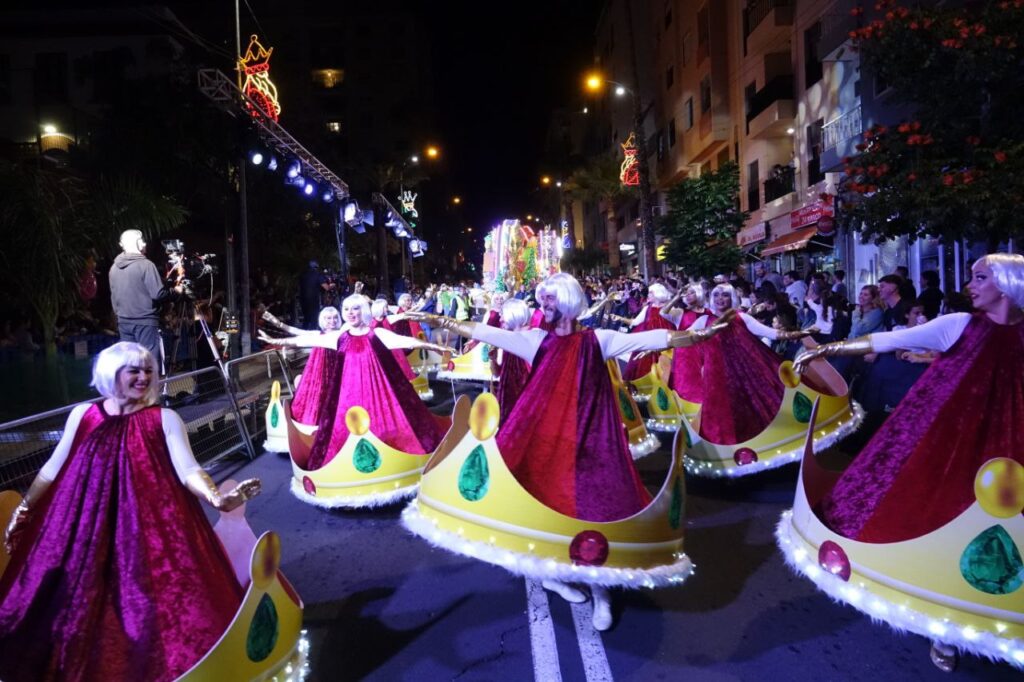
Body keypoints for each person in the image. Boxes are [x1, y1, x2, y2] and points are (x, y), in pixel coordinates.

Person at [409, 273, 730, 629]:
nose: (542, 305)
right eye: (541, 298)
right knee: (542, 506)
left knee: (598, 510)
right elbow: (489, 333)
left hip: (594, 440)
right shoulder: (535, 340)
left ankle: (602, 594)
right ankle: (551, 576)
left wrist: (693, 336)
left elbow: (646, 337)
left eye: (548, 299)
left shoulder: (598, 339)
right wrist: (441, 321)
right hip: (546, 441)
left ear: (566, 301)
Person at [793, 253, 1024, 670]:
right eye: (971, 276)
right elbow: (888, 340)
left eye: (980, 277)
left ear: (1006, 283)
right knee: (941, 524)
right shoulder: (961, 325)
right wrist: (825, 349)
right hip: (952, 444)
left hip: (1010, 448)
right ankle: (946, 631)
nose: (970, 285)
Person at [0, 342, 260, 681]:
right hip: (83, 525)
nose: (144, 377)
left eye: (148, 370)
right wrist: (25, 506)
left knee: (160, 594)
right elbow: (52, 466)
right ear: (112, 374)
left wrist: (216, 498)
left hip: (149, 525)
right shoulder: (84, 415)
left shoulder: (163, 418)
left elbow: (188, 469)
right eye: (134, 370)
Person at [258, 294, 451, 470]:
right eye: (347, 309)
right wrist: (277, 341)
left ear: (364, 311)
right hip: (347, 397)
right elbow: (303, 341)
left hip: (378, 393)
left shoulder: (376, 333)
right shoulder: (339, 337)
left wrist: (432, 346)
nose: (350, 313)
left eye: (355, 309)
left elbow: (405, 341)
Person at [109, 229, 177, 370]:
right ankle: (151, 392)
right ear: (138, 243)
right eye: (143, 240)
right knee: (149, 365)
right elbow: (158, 294)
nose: (145, 243)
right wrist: (175, 291)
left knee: (131, 365)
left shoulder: (114, 268)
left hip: (124, 322)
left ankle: (133, 391)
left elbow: (114, 298)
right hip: (145, 322)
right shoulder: (146, 265)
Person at [262, 306, 341, 426]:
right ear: (323, 319)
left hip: (336, 371)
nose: (332, 321)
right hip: (319, 373)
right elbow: (296, 332)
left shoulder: (342, 334)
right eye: (328, 318)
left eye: (335, 318)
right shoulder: (317, 334)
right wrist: (276, 322)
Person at [492, 298, 532, 424]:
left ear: (513, 315)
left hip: (523, 413)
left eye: (503, 315)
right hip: (507, 410)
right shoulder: (509, 342)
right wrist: (492, 359)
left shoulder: (530, 341)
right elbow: (497, 373)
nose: (500, 319)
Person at [299, 260, 328, 330]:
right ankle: (313, 333)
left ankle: (303, 334)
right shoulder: (318, 274)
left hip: (303, 299)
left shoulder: (303, 275)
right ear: (316, 267)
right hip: (314, 300)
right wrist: (331, 286)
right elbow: (326, 287)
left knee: (306, 318)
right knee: (314, 319)